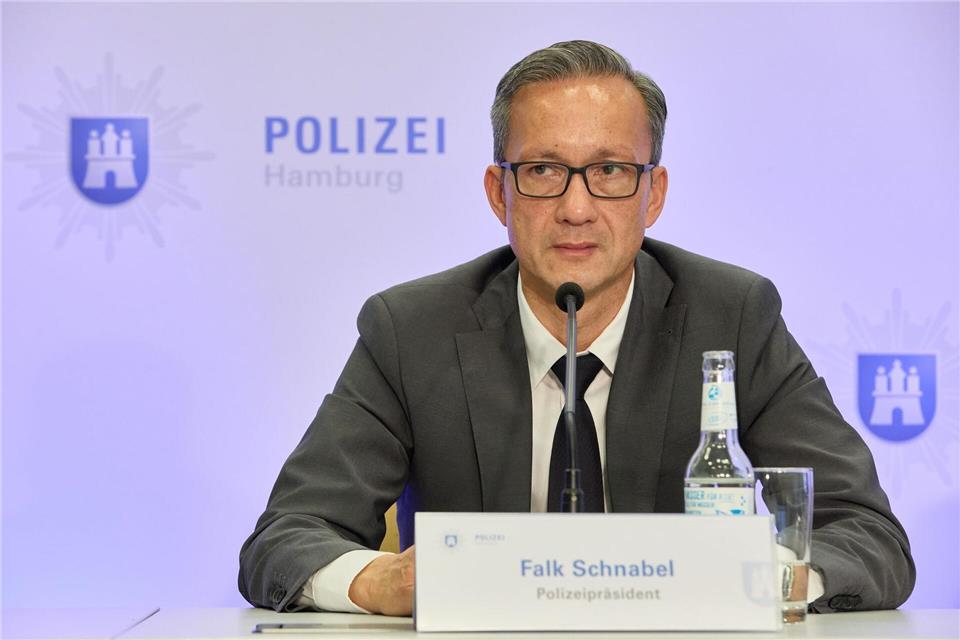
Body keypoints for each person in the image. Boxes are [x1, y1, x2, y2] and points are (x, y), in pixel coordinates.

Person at [238, 40, 915, 617]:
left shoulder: (733, 318)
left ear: (654, 194)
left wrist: (760, 579)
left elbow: (869, 537)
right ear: (499, 192)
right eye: (542, 171)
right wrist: (381, 580)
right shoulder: (412, 331)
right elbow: (286, 539)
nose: (577, 208)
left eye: (611, 171)